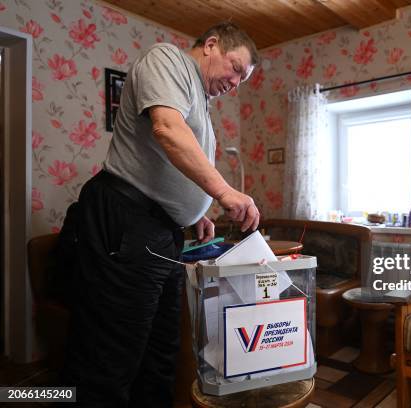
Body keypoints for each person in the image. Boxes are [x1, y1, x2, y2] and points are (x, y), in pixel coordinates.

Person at [58, 22, 260, 407]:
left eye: (242, 81)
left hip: (163, 231)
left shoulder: (200, 99)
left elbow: (170, 163)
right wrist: (223, 192)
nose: (235, 83)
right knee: (113, 354)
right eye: (235, 68)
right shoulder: (167, 58)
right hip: (128, 219)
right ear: (212, 45)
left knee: (160, 351)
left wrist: (192, 212)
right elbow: (167, 129)